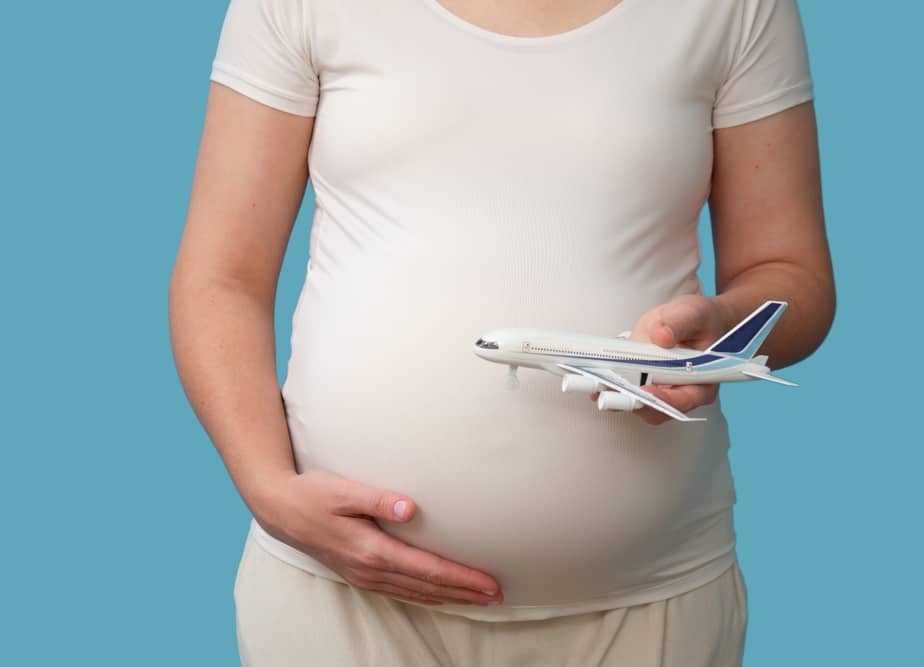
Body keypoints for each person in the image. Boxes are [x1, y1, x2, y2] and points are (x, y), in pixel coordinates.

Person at [169, 0, 835, 664]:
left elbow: (791, 274)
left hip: (647, 601)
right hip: (337, 601)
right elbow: (220, 278)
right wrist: (267, 488)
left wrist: (714, 330)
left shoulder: (737, 8)